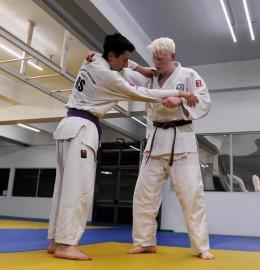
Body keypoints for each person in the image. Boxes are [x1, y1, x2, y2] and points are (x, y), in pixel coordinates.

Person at [47, 33, 197, 261]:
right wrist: (180, 92)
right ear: (111, 56)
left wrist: (139, 68)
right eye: (124, 60)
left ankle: (55, 241)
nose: (126, 65)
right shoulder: (108, 76)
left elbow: (106, 57)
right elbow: (143, 93)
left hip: (66, 128)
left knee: (62, 187)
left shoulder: (92, 61)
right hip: (82, 131)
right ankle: (67, 244)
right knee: (78, 190)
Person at [125, 37, 214, 260]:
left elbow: (205, 102)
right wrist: (98, 58)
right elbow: (123, 71)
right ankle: (145, 242)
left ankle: (202, 247)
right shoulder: (150, 78)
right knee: (144, 195)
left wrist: (181, 102)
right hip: (155, 140)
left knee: (192, 195)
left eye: (162, 59)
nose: (157, 63)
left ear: (173, 57)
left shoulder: (189, 75)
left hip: (181, 140)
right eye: (154, 58)